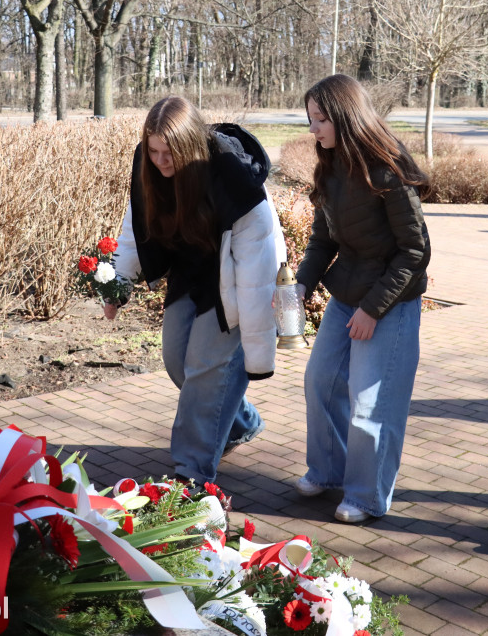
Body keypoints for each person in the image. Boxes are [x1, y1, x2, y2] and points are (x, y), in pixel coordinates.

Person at [108, 96, 286, 484]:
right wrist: (116, 286)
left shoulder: (231, 176)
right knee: (177, 363)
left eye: (168, 152)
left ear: (190, 145)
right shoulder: (149, 166)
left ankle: (191, 472)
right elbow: (133, 226)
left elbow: (258, 268)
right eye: (153, 151)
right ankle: (241, 422)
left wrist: (258, 353)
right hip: (189, 273)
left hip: (233, 280)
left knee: (206, 371)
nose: (160, 161)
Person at [292, 74, 431, 524]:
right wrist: (300, 285)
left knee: (372, 403)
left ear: (345, 117)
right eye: (311, 119)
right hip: (347, 293)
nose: (313, 129)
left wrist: (373, 309)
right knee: (321, 382)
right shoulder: (330, 166)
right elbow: (322, 238)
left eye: (320, 119)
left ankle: (367, 496)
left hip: (390, 302)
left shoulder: (388, 169)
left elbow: (416, 251)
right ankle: (328, 472)